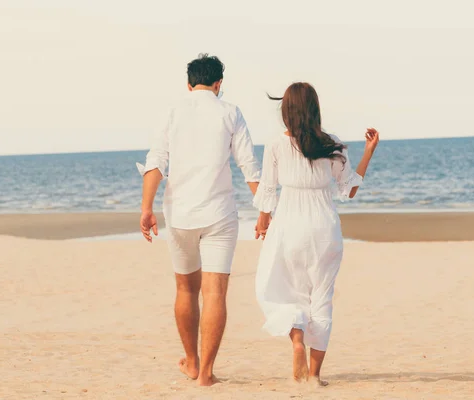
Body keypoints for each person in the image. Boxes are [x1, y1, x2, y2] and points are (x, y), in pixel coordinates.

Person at [137, 53, 261, 386]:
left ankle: (191, 362)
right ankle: (206, 373)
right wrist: (265, 209)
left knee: (185, 288)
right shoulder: (230, 112)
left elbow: (156, 162)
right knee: (215, 293)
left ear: (189, 83)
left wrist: (146, 208)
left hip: (180, 214)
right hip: (219, 214)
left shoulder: (171, 112)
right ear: (218, 84)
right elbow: (249, 165)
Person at [253, 82, 379, 385]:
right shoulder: (331, 143)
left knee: (288, 290)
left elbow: (268, 191)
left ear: (287, 111)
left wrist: (262, 221)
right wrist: (369, 152)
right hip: (324, 228)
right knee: (322, 298)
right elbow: (349, 189)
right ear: (314, 109)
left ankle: (297, 339)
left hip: (290, 226)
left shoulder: (276, 145)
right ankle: (315, 375)